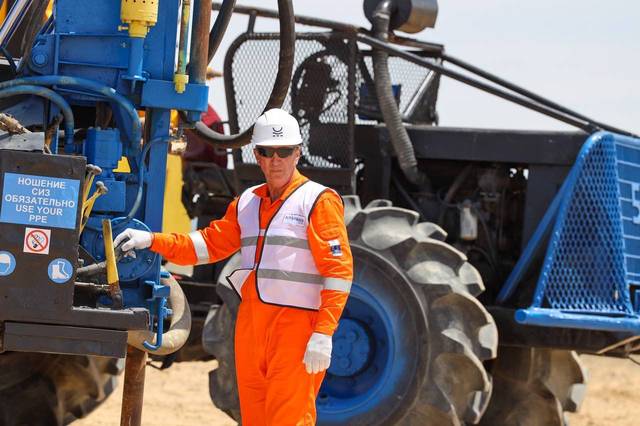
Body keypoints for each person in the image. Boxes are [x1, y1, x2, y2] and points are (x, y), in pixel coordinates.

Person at [114, 108, 353, 425]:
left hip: (295, 330)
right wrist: (152, 240)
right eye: (267, 152)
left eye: (284, 151)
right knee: (253, 418)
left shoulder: (318, 201)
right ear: (257, 155)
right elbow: (206, 245)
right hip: (251, 326)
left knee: (290, 418)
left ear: (297, 153)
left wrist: (323, 332)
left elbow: (338, 272)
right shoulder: (247, 202)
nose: (275, 160)